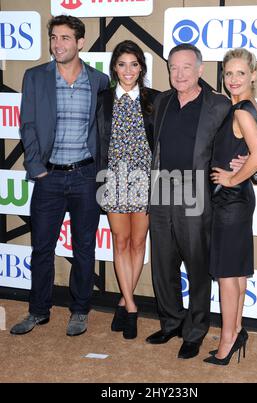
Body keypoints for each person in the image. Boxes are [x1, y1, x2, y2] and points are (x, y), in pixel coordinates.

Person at [10, 15, 109, 337]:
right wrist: (35, 167)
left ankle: (79, 311)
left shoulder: (99, 81)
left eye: (65, 38)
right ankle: (38, 310)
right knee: (41, 248)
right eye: (54, 37)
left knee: (84, 248)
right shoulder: (35, 76)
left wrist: (100, 172)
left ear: (80, 42)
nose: (58, 44)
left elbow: (104, 130)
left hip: (85, 175)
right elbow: (27, 125)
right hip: (48, 178)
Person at [146, 44, 236, 359]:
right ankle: (171, 321)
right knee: (162, 263)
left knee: (197, 267)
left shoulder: (218, 105)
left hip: (195, 193)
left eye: (186, 67)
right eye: (173, 67)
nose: (179, 74)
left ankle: (195, 331)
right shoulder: (162, 101)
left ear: (199, 70)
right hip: (160, 192)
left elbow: (238, 142)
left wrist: (244, 167)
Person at [203, 48, 257, 365]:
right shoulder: (249, 107)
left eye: (241, 73)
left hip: (230, 202)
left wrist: (231, 179)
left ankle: (227, 341)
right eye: (228, 73)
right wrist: (245, 173)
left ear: (253, 75)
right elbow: (253, 155)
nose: (233, 79)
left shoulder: (241, 110)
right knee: (237, 274)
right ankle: (237, 329)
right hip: (238, 202)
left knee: (228, 277)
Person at [96, 40, 160, 339]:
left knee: (138, 243)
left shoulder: (154, 100)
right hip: (113, 181)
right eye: (122, 64)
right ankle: (131, 306)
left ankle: (124, 301)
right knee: (120, 243)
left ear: (142, 68)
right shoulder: (103, 99)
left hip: (145, 180)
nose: (128, 70)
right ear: (114, 68)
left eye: (134, 64)